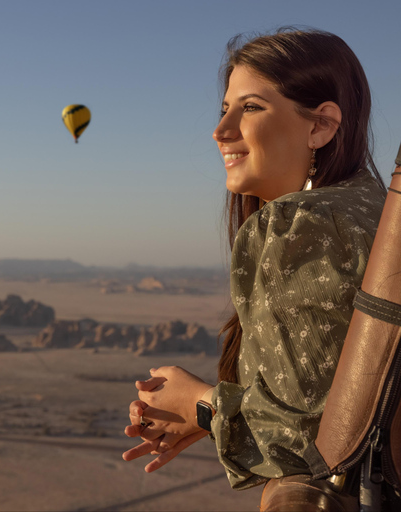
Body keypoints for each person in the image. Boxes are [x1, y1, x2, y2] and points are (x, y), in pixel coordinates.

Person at [122, 28, 387, 508]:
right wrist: (216, 419)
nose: (221, 131)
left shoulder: (299, 224)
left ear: (320, 126)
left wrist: (199, 404)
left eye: (250, 107)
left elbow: (311, 437)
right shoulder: (376, 211)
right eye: (224, 108)